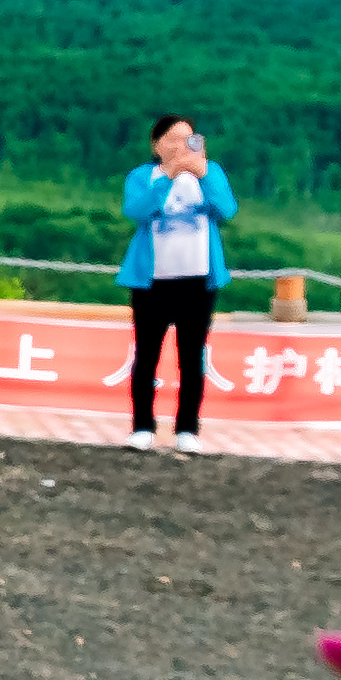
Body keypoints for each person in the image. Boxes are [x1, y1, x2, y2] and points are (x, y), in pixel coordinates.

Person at [121, 113, 238, 454]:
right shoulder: (144, 176)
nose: (180, 146)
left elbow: (226, 210)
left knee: (192, 356)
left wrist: (202, 176)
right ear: (156, 145)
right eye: (172, 139)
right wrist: (168, 177)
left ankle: (187, 428)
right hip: (152, 282)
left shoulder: (210, 172)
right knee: (147, 355)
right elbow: (137, 210)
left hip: (197, 280)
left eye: (188, 139)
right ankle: (142, 426)